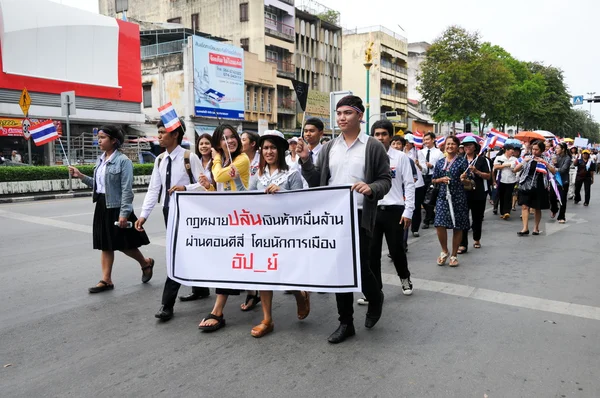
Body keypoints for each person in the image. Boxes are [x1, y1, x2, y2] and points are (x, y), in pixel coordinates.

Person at [297, 95, 390, 344]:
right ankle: (345, 322)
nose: (341, 118)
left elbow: (385, 180)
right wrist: (306, 160)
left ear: (360, 116)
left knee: (359, 266)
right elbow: (317, 181)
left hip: (360, 215)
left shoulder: (372, 146)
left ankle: (375, 296)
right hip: (333, 217)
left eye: (347, 113)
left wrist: (371, 188)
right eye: (338, 113)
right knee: (340, 269)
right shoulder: (329, 147)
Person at [233, 130, 308, 337]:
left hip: (287, 235)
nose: (268, 151)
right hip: (263, 234)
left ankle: (300, 294)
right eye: (265, 148)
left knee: (285, 275)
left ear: (281, 149)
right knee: (264, 275)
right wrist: (238, 181)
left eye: (273, 147)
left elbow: (302, 205)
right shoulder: (259, 175)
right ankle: (267, 319)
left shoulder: (292, 173)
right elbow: (249, 200)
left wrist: (283, 194)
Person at [134, 121, 210, 321]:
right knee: (188, 250)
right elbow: (153, 189)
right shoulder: (159, 159)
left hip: (189, 213)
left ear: (175, 135)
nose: (158, 136)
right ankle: (201, 289)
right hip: (170, 212)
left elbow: (205, 184)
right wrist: (144, 215)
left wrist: (186, 188)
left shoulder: (189, 157)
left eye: (162, 132)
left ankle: (167, 304)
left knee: (176, 255)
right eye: (158, 132)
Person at [69, 126, 153, 293]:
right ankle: (106, 280)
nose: (99, 141)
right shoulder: (101, 160)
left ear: (114, 140)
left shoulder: (124, 161)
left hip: (117, 207)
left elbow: (127, 190)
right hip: (102, 205)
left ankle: (145, 263)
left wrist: (124, 213)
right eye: (98, 137)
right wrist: (80, 176)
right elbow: (99, 186)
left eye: (103, 137)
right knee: (105, 245)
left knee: (124, 245)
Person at [197, 124, 250, 332]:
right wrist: (207, 186)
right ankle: (250, 294)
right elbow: (218, 187)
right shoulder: (224, 161)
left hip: (244, 219)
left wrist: (216, 157)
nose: (230, 141)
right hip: (227, 219)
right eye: (224, 138)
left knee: (241, 262)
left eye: (232, 137)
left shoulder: (241, 160)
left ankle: (218, 311)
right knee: (232, 263)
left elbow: (219, 176)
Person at [357, 120, 415, 304]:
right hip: (372, 209)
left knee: (396, 250)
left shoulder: (400, 157)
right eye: (377, 134)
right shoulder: (366, 156)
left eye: (384, 134)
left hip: (394, 210)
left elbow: (409, 184)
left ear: (390, 137)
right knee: (371, 253)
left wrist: (409, 211)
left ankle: (405, 278)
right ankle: (374, 292)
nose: (380, 137)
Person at [431, 136, 470, 267]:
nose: (450, 146)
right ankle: (444, 251)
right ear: (444, 146)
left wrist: (464, 180)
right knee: (439, 224)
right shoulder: (440, 162)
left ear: (458, 147)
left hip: (458, 198)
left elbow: (470, 182)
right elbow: (433, 179)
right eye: (448, 144)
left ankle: (454, 255)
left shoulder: (462, 162)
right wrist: (440, 180)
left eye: (453, 144)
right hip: (443, 197)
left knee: (457, 226)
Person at [514, 140, 556, 236]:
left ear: (541, 150)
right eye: (533, 149)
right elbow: (515, 169)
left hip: (540, 185)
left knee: (537, 207)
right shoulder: (527, 157)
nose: (534, 151)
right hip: (526, 185)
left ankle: (536, 228)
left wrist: (545, 163)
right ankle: (525, 228)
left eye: (536, 149)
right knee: (525, 206)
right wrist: (524, 162)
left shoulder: (546, 159)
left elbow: (553, 171)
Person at [458, 136, 490, 253]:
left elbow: (488, 175)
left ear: (475, 147)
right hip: (463, 193)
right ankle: (463, 244)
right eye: (465, 145)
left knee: (477, 218)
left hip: (478, 192)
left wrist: (476, 171)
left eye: (470, 145)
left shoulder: (481, 160)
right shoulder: (460, 159)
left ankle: (477, 238)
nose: (468, 147)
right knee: (463, 219)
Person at [403, 133, 426, 238]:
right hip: (404, 184)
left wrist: (418, 165)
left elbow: (425, 170)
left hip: (417, 184)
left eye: (409, 143)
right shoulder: (401, 153)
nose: (407, 145)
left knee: (416, 207)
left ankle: (415, 228)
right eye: (405, 142)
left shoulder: (418, 153)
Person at [420, 132, 444, 229]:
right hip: (422, 176)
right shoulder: (421, 152)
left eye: (428, 139)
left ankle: (426, 220)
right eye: (424, 140)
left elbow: (442, 167)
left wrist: (432, 166)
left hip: (433, 177)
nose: (426, 142)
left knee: (429, 198)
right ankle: (432, 216)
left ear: (433, 139)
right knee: (422, 199)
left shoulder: (439, 153)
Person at [493, 144, 519, 220]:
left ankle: (507, 212)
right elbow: (496, 167)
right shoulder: (499, 157)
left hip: (511, 180)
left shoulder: (515, 159)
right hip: (501, 179)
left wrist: (515, 169)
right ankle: (502, 212)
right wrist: (506, 165)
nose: (513, 151)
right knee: (501, 196)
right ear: (506, 150)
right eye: (511, 150)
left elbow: (517, 168)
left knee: (508, 196)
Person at [550, 143, 571, 223]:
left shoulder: (567, 158)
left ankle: (561, 217)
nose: (556, 150)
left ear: (563, 149)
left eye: (558, 148)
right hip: (554, 181)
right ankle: (554, 209)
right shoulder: (555, 157)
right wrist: (553, 164)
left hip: (563, 182)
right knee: (552, 197)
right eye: (555, 148)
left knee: (562, 199)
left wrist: (554, 168)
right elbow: (550, 167)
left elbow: (563, 170)